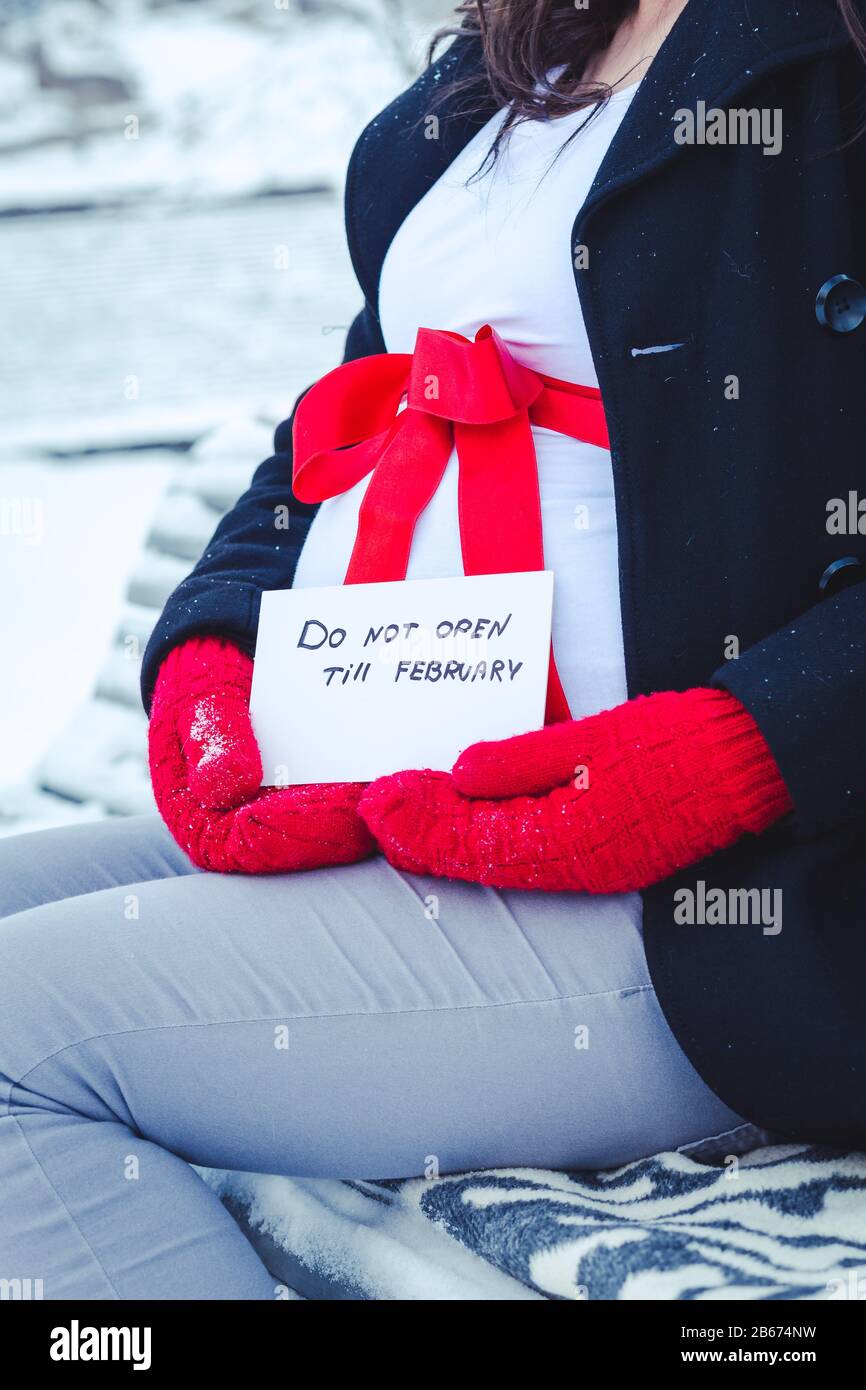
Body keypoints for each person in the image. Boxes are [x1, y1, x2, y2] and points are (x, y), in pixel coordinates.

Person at [2, 0, 865, 1300]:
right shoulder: (509, 69)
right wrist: (213, 651)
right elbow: (340, 424)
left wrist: (731, 752)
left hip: (711, 910)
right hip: (400, 810)